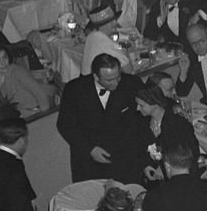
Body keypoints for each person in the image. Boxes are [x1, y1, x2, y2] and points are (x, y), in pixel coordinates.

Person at [57, 54, 148, 183]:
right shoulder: (75, 89)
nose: (116, 83)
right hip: (89, 164)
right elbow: (65, 125)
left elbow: (146, 114)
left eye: (118, 77)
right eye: (109, 80)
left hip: (125, 160)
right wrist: (89, 149)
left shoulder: (131, 83)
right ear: (96, 77)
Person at [134, 84, 199, 183]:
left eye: (141, 105)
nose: (137, 108)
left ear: (155, 104)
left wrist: (166, 169)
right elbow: (139, 148)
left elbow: (192, 153)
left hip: (180, 178)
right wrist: (146, 165)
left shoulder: (179, 124)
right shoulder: (143, 123)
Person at [0, 46, 53, 117]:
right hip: (17, 114)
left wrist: (42, 118)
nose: (3, 63)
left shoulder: (18, 72)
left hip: (33, 113)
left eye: (5, 57)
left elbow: (41, 94)